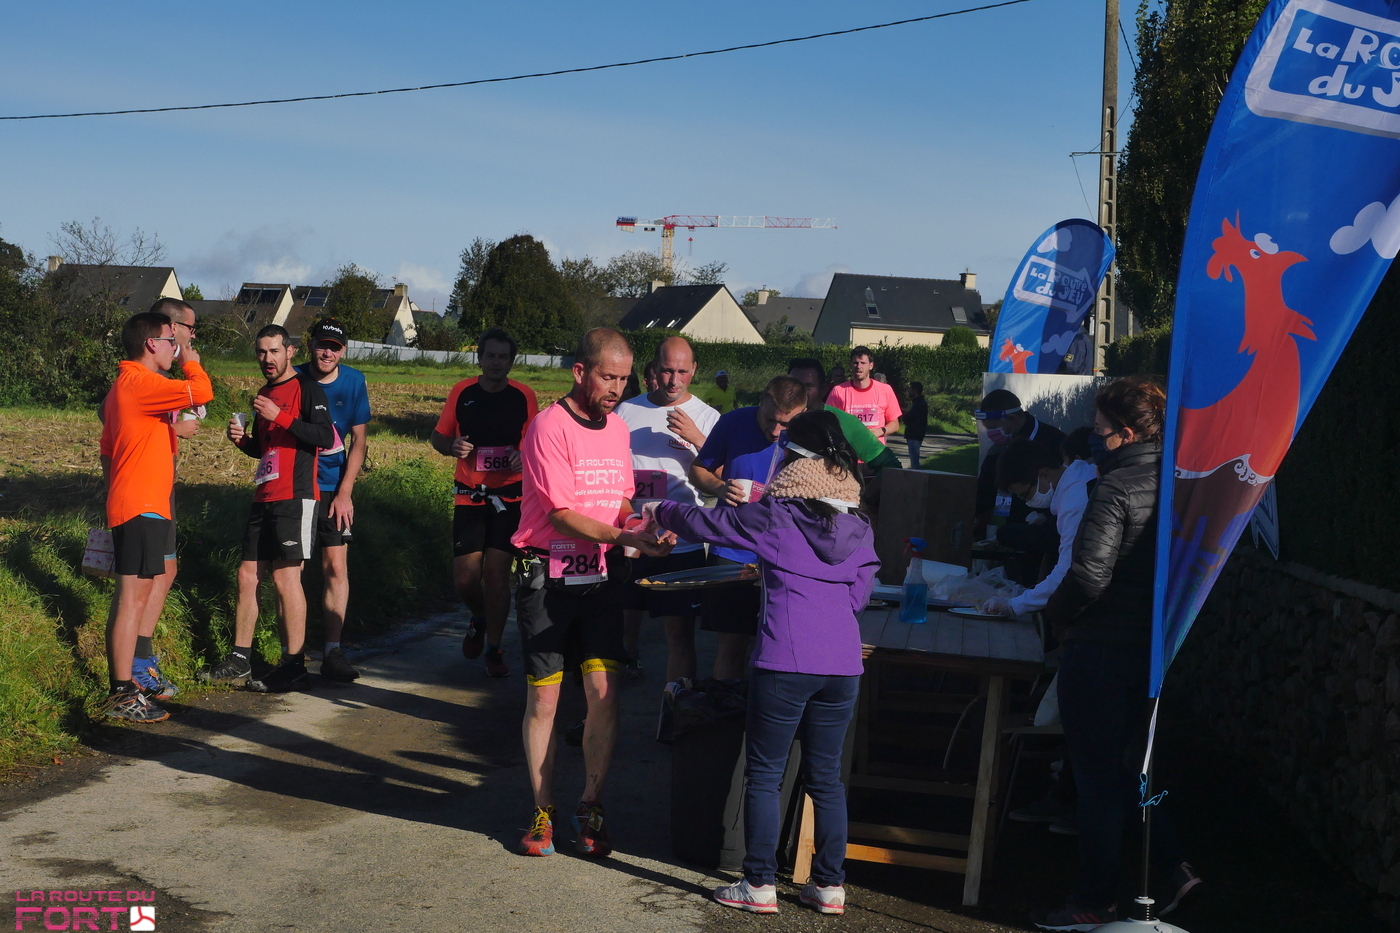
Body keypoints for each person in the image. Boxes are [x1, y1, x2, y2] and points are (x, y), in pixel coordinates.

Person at [647, 410, 879, 916]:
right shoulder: (860, 526)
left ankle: (758, 883)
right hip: (843, 664)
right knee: (826, 779)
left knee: (766, 775)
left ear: (792, 463)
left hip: (784, 659)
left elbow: (709, 522)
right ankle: (829, 886)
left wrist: (658, 508)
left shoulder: (777, 516)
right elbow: (858, 598)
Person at [1032, 377, 1198, 930]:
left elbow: (1089, 575)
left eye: (1100, 430)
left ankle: (1093, 900)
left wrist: (1057, 614)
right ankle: (1173, 867)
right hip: (1150, 648)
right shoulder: (1180, 484)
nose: (1094, 438)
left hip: (1099, 646)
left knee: (1097, 781)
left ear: (1125, 434)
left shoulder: (1116, 486)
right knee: (1130, 769)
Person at [510, 327, 673, 859]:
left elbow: (620, 500)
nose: (617, 389)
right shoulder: (548, 426)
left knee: (605, 693)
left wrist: (642, 528)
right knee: (546, 699)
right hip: (546, 573)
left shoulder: (618, 428)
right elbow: (560, 514)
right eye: (608, 377)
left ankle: (592, 805)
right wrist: (624, 537)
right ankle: (543, 811)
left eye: (624, 379)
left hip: (602, 572)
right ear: (580, 371)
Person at [100, 309, 214, 722]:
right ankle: (121, 692)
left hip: (142, 504)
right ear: (152, 343)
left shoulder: (127, 386)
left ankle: (126, 687)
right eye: (171, 341)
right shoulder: (142, 382)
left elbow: (109, 450)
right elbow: (201, 391)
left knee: (136, 596)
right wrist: (191, 361)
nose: (175, 348)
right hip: (141, 505)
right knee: (131, 599)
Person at [206, 325, 334, 691]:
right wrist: (242, 442)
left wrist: (282, 416)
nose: (267, 359)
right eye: (261, 352)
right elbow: (266, 451)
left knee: (284, 578)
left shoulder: (308, 389)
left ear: (290, 351)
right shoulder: (263, 394)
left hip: (296, 495)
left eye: (274, 351)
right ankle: (240, 659)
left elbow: (325, 436)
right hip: (264, 494)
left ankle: (294, 664)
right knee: (247, 576)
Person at [431, 327, 538, 678]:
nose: (496, 362)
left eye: (503, 357)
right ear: (479, 358)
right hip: (470, 495)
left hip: (511, 497)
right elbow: (438, 436)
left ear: (511, 361)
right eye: (490, 356)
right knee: (465, 579)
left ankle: (494, 646)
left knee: (496, 574)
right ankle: (479, 617)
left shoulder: (524, 395)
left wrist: (523, 456)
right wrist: (452, 447)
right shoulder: (462, 391)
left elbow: (535, 443)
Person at [689, 376, 809, 680]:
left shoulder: (811, 436)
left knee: (781, 646)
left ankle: (763, 706)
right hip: (733, 551)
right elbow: (698, 470)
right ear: (761, 400)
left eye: (786, 424)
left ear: (803, 414)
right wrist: (719, 487)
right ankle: (726, 704)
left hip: (785, 555)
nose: (776, 431)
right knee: (732, 645)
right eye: (770, 420)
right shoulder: (733, 422)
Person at [616, 336, 718, 682]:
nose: (674, 381)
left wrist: (699, 440)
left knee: (679, 636)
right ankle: (614, 694)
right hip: (631, 536)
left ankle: (677, 704)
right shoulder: (626, 411)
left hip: (681, 543)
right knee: (622, 627)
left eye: (682, 372)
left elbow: (725, 478)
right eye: (667, 371)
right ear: (654, 369)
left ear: (694, 370)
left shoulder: (708, 417)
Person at [294, 318, 371, 683]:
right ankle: (291, 656)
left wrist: (345, 492)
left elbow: (359, 440)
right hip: (297, 486)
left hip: (333, 488)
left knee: (336, 568)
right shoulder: (294, 378)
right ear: (311, 345)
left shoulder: (353, 381)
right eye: (322, 345)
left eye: (335, 348)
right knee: (291, 569)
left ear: (344, 351)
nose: (327, 353)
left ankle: (332, 652)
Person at [980, 439, 1096, 618]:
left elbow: (1067, 571)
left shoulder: (1074, 504)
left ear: (1045, 475)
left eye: (1026, 494)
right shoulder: (1080, 479)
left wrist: (1015, 605)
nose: (1028, 502)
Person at [974, 389, 1066, 545]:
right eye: (987, 429)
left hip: (1048, 534)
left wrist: (1048, 520)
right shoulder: (998, 448)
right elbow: (985, 490)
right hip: (1012, 530)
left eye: (994, 428)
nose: (990, 434)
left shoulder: (1054, 441)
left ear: (1012, 418)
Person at [825, 347, 900, 444]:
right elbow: (827, 422)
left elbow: (895, 424)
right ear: (851, 365)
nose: (859, 366)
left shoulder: (885, 390)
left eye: (863, 363)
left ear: (871, 365)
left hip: (875, 450)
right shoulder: (838, 391)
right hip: (849, 451)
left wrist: (880, 431)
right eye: (855, 363)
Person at [903, 381, 928, 468]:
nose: (909, 391)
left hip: (915, 435)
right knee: (913, 459)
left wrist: (904, 416)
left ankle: (916, 475)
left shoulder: (919, 404)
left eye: (910, 389)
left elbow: (910, 417)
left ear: (915, 390)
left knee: (914, 461)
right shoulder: (917, 403)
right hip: (915, 434)